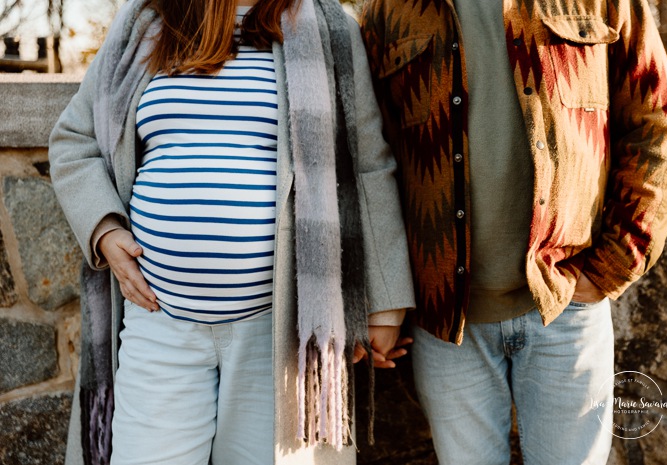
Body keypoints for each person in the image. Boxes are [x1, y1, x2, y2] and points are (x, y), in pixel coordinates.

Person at [49, 0, 415, 464]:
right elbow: (74, 140)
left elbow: (368, 164)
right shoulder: (147, 21)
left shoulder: (327, 28)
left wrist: (386, 307)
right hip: (160, 323)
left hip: (280, 332)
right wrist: (104, 230)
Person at [360, 0, 667, 463]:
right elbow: (373, 159)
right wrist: (385, 297)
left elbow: (655, 119)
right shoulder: (388, 11)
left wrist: (615, 262)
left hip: (566, 306)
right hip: (448, 324)